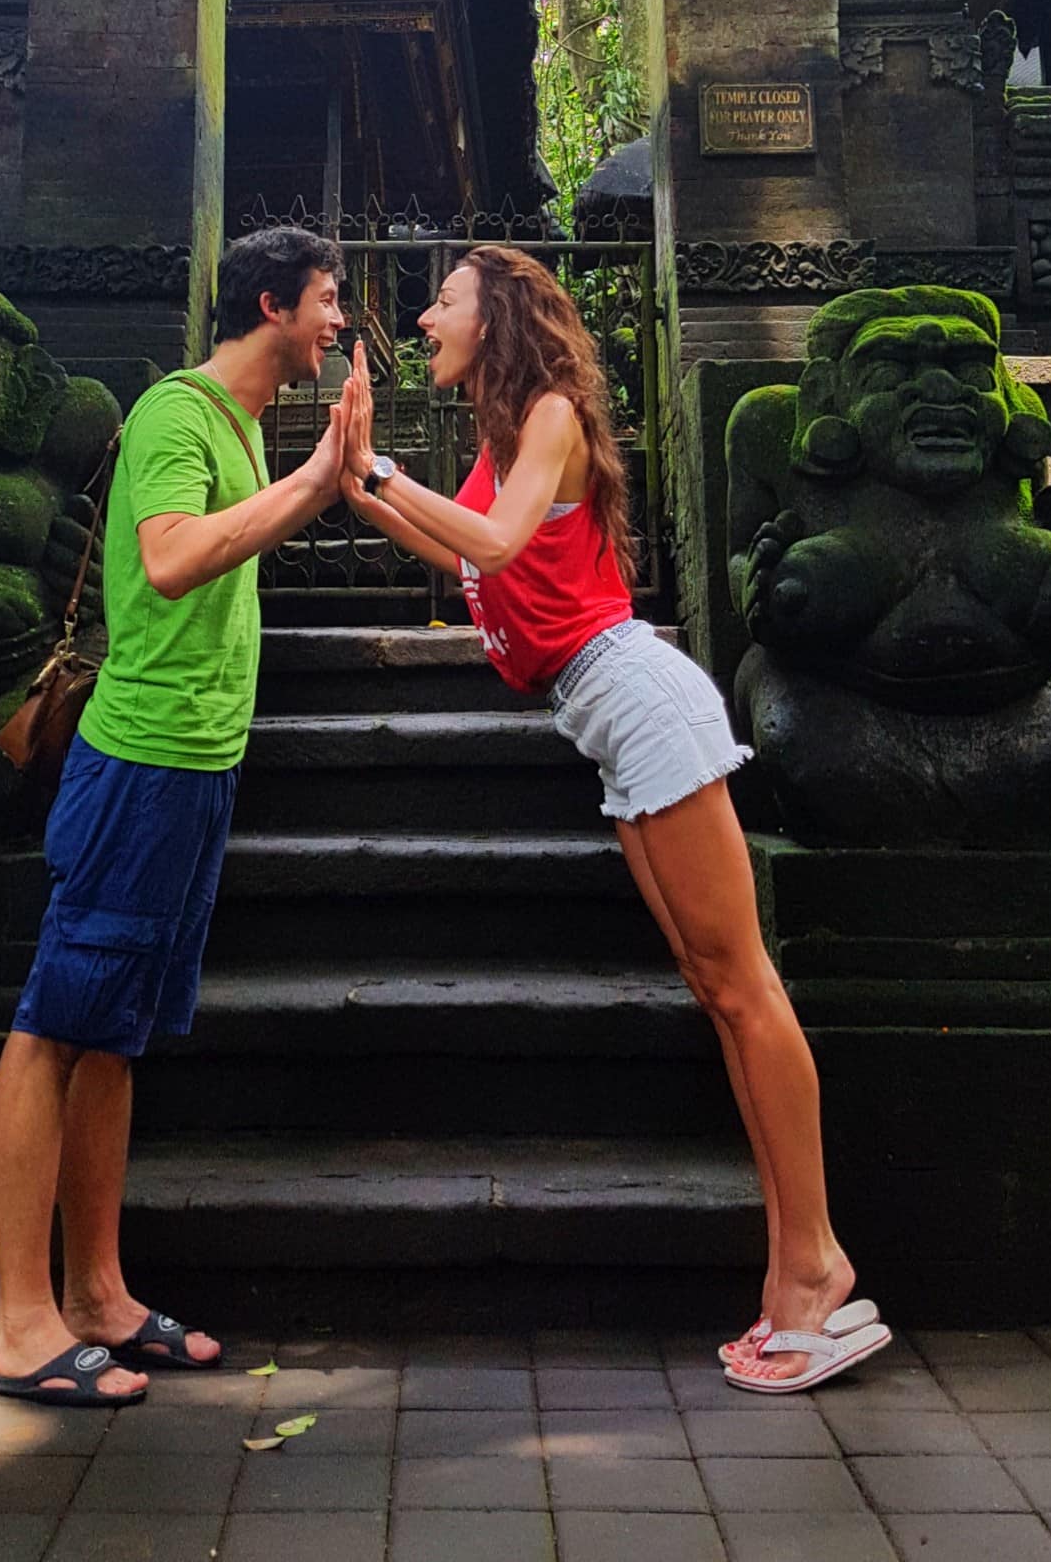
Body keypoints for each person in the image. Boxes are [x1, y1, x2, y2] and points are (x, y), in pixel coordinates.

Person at [339, 243, 889, 1395]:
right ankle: (795, 1271)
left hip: (639, 700)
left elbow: (495, 541)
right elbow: (463, 555)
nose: (425, 317)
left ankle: (817, 1267)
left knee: (744, 986)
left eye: (444, 299)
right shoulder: (501, 440)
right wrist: (356, 481)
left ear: (498, 316)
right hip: (606, 716)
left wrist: (381, 468)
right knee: (719, 992)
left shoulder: (549, 413)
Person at [0, 226, 347, 1407]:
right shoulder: (178, 412)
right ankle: (19, 1326)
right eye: (328, 298)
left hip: (198, 763)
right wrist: (313, 485)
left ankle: (97, 1294)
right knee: (55, 1020)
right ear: (272, 303)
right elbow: (176, 558)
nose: (340, 322)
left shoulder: (242, 424)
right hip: (138, 758)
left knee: (114, 1033)